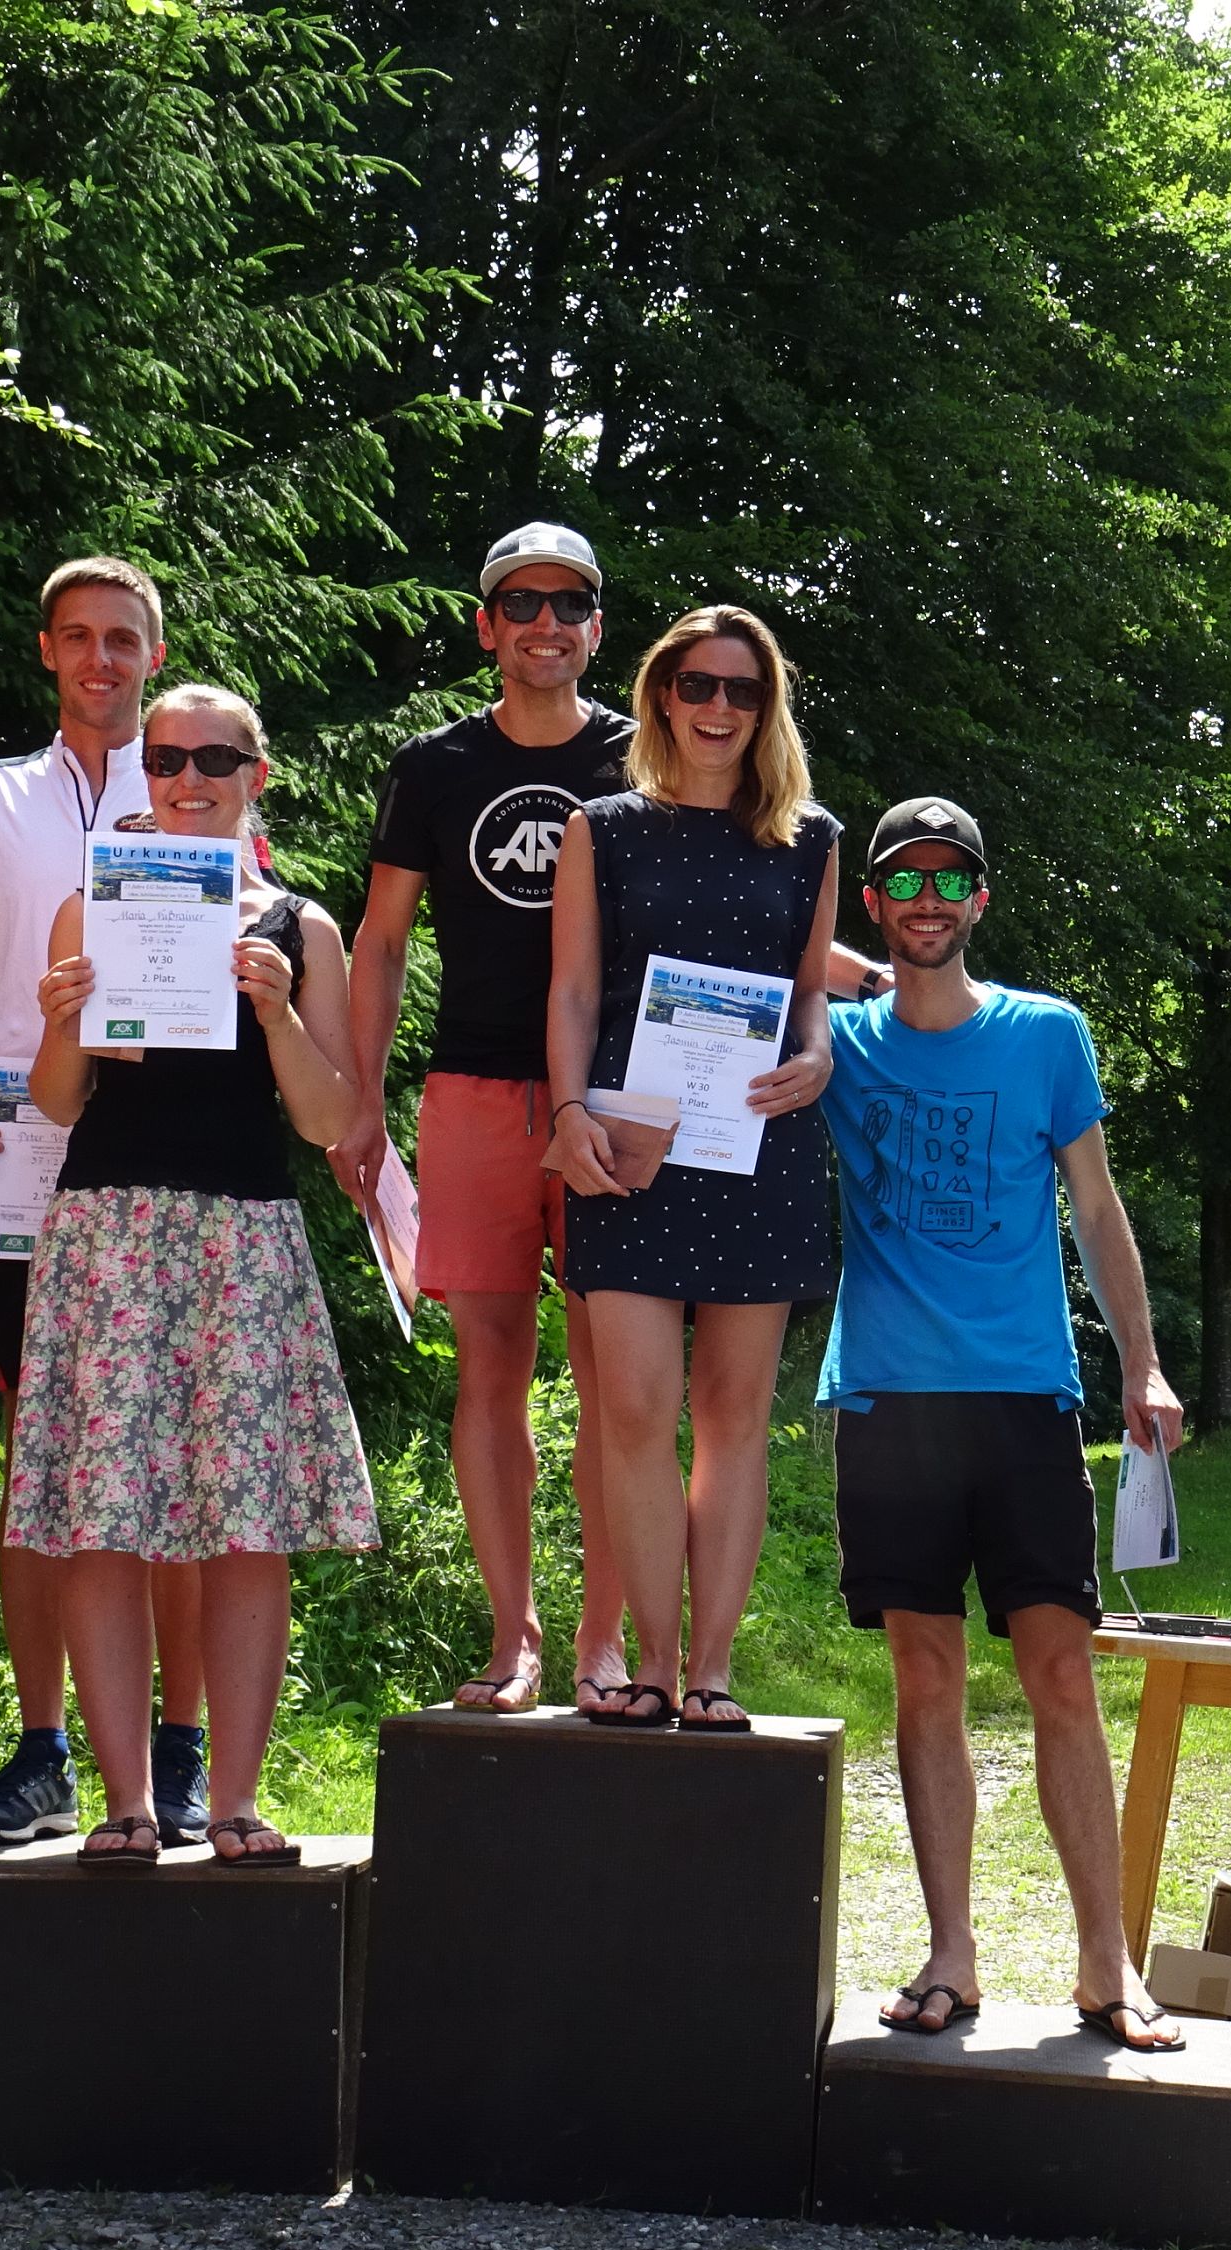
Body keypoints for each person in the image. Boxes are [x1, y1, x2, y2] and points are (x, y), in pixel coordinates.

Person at [334, 525, 887, 1722]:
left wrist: (839, 1025)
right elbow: (408, 950)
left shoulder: (743, 805)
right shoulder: (484, 780)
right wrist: (369, 1102)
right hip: (529, 1104)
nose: (717, 706)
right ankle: (547, 1645)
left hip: (697, 1127)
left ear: (596, 626)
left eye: (569, 603)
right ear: (488, 622)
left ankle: (646, 1659)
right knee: (537, 1383)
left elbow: (792, 967)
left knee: (669, 1407)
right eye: (697, 686)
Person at [820, 799, 1190, 2050]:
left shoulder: (1045, 1033)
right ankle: (951, 1953)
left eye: (949, 880)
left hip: (1024, 1396)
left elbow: (1096, 1206)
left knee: (1060, 1675)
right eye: (902, 881)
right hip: (885, 1400)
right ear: (873, 903)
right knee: (923, 1681)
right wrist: (852, 975)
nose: (926, 899)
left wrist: (1142, 1367)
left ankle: (1106, 1963)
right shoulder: (833, 1041)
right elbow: (749, 951)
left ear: (979, 900)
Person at [9, 685, 380, 1865]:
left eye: (214, 759)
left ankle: (233, 1802)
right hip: (108, 1233)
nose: (188, 779)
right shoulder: (90, 904)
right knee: (103, 1526)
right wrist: (61, 1019)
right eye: (166, 758)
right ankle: (126, 1804)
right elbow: (56, 1101)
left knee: (246, 1529)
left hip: (241, 1238)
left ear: (254, 775)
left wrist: (276, 1015)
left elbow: (331, 1121)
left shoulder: (302, 929)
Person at [0, 556, 215, 1848]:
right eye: (79, 637)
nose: (102, 659)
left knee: (181, 1458)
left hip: (167, 1155)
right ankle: (43, 1749)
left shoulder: (198, 779)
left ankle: (179, 1751)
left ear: (152, 652)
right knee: (38, 1460)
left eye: (123, 638)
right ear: (47, 649)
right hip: (30, 1145)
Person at [543, 605, 838, 1731]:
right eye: (699, 685)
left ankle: (712, 1668)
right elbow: (574, 991)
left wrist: (816, 1055)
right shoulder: (601, 827)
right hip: (628, 1149)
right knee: (631, 1413)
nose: (719, 707)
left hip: (758, 1147)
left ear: (767, 708)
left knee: (731, 1420)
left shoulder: (810, 838)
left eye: (743, 690)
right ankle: (653, 1665)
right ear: (663, 694)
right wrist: (569, 1111)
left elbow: (809, 995)